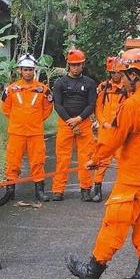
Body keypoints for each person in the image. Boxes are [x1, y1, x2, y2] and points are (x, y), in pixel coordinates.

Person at [66, 48, 140, 279]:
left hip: (134, 178)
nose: (120, 80)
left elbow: (112, 139)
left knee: (114, 224)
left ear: (134, 75)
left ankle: (92, 272)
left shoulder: (133, 104)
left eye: (123, 75)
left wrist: (94, 159)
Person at [1, 54, 54, 202]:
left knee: (38, 161)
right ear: (20, 70)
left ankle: (40, 191)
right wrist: (18, 121)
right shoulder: (11, 89)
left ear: (34, 71)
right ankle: (10, 191)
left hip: (35, 132)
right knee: (13, 161)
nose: (28, 72)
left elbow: (48, 109)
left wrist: (35, 120)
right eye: (25, 69)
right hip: (16, 132)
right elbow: (6, 108)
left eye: (31, 69)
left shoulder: (43, 90)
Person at [52, 49, 97, 201]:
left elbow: (91, 105)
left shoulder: (90, 83)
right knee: (62, 158)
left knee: (86, 157)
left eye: (79, 65)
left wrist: (79, 119)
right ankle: (58, 190)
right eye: (73, 65)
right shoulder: (60, 83)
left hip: (83, 123)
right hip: (65, 124)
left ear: (83, 64)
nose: (76, 68)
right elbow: (57, 105)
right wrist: (70, 122)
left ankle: (85, 189)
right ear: (68, 65)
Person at [92, 56, 128, 202]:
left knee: (123, 161)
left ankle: (121, 190)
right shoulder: (103, 87)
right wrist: (103, 122)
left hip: (120, 131)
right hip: (105, 130)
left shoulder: (127, 88)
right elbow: (98, 108)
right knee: (101, 160)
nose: (116, 75)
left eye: (119, 72)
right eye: (113, 73)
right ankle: (97, 188)